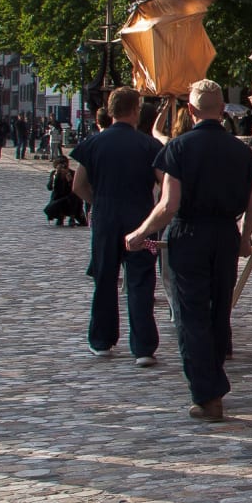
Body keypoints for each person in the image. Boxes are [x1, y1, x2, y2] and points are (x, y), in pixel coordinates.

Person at [124, 79, 252, 423]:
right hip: (225, 233)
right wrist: (245, 238)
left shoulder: (180, 148)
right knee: (218, 312)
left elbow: (169, 204)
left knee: (190, 313)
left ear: (192, 109)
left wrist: (141, 231)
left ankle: (207, 392)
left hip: (190, 232)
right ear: (222, 110)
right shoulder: (241, 151)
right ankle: (213, 380)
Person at [71, 88, 161, 365]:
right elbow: (164, 183)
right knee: (141, 281)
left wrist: (96, 203)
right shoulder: (149, 145)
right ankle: (143, 347)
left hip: (106, 219)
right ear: (135, 111)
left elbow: (78, 185)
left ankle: (101, 340)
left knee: (105, 279)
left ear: (110, 111)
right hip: (142, 223)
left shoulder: (93, 143)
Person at [44, 155, 87, 226]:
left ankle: (72, 218)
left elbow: (77, 189)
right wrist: (56, 176)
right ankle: (60, 217)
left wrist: (70, 180)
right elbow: (49, 187)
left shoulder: (72, 173)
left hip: (72, 202)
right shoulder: (54, 173)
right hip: (58, 201)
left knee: (84, 223)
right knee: (54, 205)